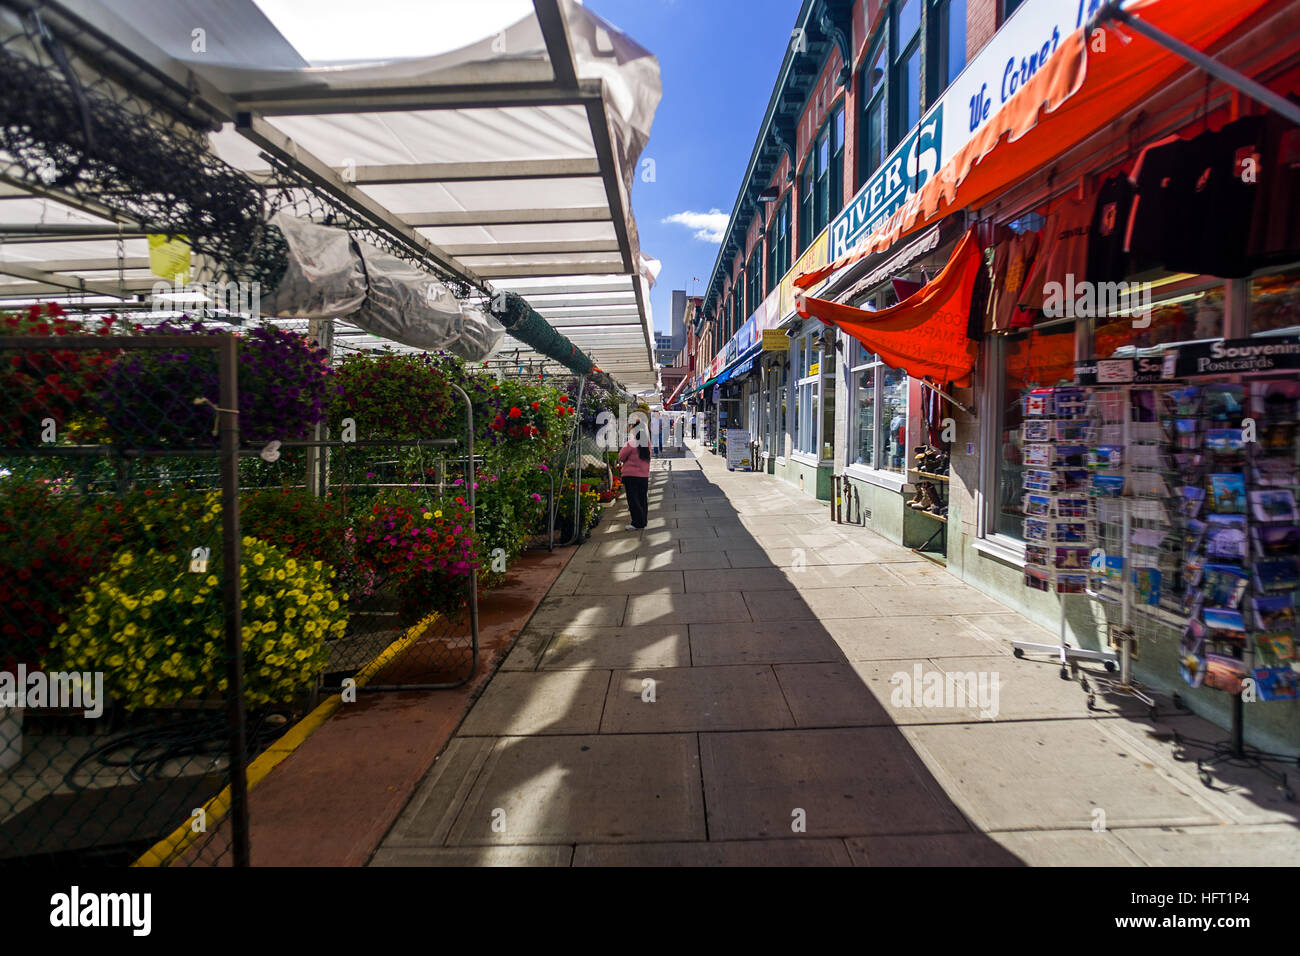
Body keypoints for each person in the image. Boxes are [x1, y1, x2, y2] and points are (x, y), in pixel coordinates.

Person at [618, 419, 651, 531]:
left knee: (633, 500)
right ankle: (643, 521)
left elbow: (621, 457)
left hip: (631, 476)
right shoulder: (647, 444)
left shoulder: (631, 443)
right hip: (643, 476)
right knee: (642, 499)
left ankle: (637, 523)